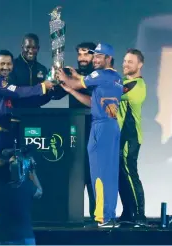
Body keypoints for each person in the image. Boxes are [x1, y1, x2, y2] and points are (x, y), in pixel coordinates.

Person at [0, 50, 53, 228]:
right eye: (2, 64)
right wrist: (43, 86)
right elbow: (19, 93)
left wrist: (53, 87)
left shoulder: (4, 82)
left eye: (9, 64)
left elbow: (17, 99)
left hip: (4, 133)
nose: (6, 67)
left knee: (1, 175)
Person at [57, 43, 123, 227]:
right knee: (109, 173)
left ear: (108, 58)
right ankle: (109, 215)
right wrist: (71, 90)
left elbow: (75, 82)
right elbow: (91, 102)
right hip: (110, 126)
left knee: (99, 173)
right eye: (94, 57)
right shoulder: (115, 77)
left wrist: (61, 75)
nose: (94, 60)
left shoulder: (101, 75)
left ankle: (102, 217)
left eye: (98, 57)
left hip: (101, 128)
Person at [0, 147, 41, 245]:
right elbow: (39, 192)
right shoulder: (25, 187)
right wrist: (31, 171)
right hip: (24, 238)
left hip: (3, 238)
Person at [117, 49, 147, 226]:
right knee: (122, 175)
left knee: (130, 174)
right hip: (121, 136)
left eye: (130, 62)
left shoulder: (135, 85)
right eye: (125, 61)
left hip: (130, 137)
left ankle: (140, 215)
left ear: (140, 65)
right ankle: (128, 212)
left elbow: (109, 93)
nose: (125, 64)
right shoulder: (127, 83)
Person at [10, 33, 52, 108]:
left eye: (34, 48)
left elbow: (45, 96)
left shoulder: (42, 69)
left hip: (35, 115)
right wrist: (41, 87)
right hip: (15, 115)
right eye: (28, 47)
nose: (31, 51)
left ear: (38, 48)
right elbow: (12, 91)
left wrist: (53, 89)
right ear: (22, 47)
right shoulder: (11, 66)